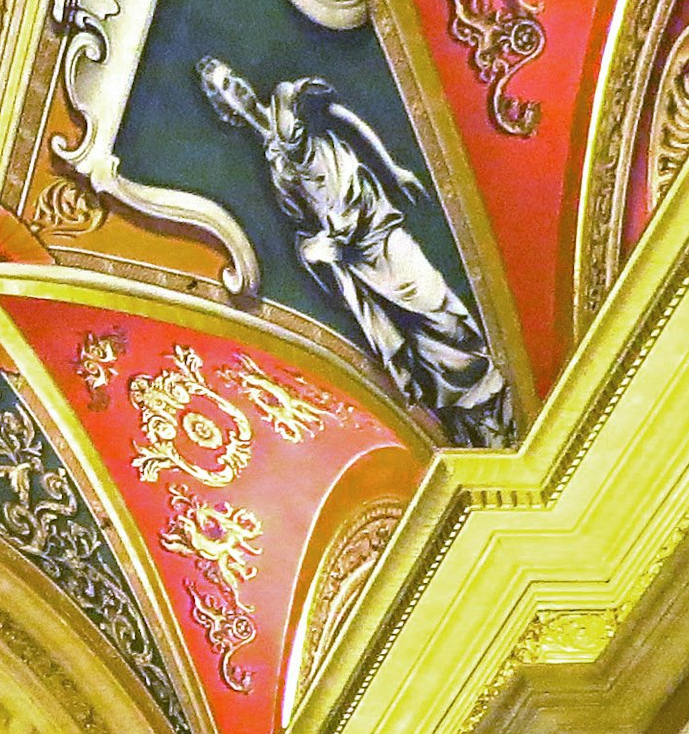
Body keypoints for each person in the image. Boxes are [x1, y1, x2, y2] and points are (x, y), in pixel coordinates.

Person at [193, 55, 515, 447]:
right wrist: (314, 252)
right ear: (225, 108)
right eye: (226, 87)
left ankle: (500, 393)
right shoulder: (272, 165)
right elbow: (305, 224)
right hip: (353, 255)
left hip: (376, 225)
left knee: (435, 301)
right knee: (414, 337)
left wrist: (391, 167)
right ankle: (477, 419)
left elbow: (340, 116)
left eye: (233, 76)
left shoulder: (285, 99)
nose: (237, 86)